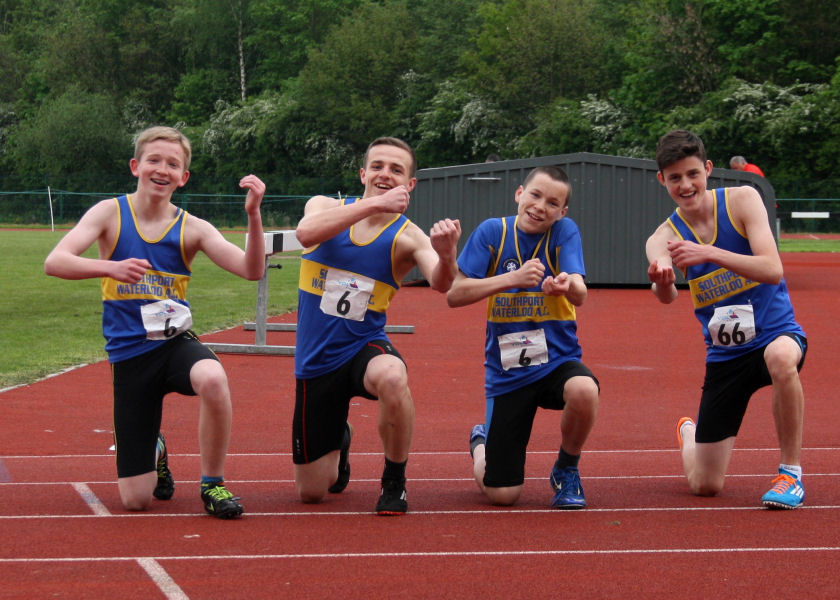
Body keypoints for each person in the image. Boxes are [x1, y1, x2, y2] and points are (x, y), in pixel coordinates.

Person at [44, 126, 267, 518]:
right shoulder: (109, 213)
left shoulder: (192, 227)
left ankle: (213, 484)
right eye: (154, 160)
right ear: (136, 166)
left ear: (184, 177)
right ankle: (156, 451)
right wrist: (110, 267)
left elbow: (250, 270)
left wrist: (252, 214)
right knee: (136, 500)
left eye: (173, 164)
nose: (162, 170)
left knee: (213, 378)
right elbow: (56, 261)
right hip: (130, 356)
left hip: (174, 344)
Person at [292, 136, 461, 515]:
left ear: (410, 184)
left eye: (396, 170)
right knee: (313, 492)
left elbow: (442, 283)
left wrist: (448, 255)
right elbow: (305, 234)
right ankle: (341, 438)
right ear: (363, 173)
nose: (386, 174)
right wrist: (376, 204)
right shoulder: (323, 206)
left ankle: (394, 480)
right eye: (379, 166)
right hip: (316, 362)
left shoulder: (408, 236)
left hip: (361, 348)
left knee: (392, 375)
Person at [647, 130, 807, 509]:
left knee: (782, 360)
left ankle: (791, 474)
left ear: (707, 169)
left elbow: (771, 269)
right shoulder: (663, 236)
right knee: (705, 485)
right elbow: (666, 294)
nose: (685, 186)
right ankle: (691, 434)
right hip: (726, 357)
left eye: (691, 174)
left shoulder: (742, 201)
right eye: (674, 178)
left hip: (775, 334)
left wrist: (710, 253)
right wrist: (663, 282)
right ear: (662, 180)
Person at [447, 166, 599, 509]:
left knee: (585, 389)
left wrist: (567, 285)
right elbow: (455, 294)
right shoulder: (492, 232)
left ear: (562, 212)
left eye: (552, 202)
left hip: (556, 362)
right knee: (502, 495)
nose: (540, 206)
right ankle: (482, 444)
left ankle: (566, 468)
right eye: (535, 195)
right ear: (519, 193)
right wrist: (511, 278)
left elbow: (580, 290)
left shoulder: (563, 232)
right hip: (508, 373)